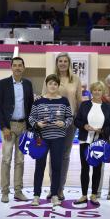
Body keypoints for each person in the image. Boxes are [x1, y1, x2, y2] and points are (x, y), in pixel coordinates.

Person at [42, 52, 82, 200]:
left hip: (69, 123)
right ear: (57, 63)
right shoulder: (51, 79)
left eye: (65, 61)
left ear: (69, 63)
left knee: (64, 156)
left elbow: (79, 101)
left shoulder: (75, 79)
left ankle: (60, 189)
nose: (63, 63)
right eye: (60, 61)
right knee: (53, 155)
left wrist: (80, 120)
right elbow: (43, 98)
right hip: (51, 123)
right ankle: (53, 189)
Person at [29, 74, 73, 207]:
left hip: (58, 138)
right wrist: (37, 124)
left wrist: (64, 123)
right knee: (39, 167)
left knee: (56, 167)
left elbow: (69, 117)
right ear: (46, 85)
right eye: (50, 84)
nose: (53, 86)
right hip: (41, 139)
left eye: (55, 84)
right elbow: (31, 118)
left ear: (58, 86)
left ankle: (54, 194)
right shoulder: (38, 101)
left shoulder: (64, 101)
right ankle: (36, 195)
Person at [0, 56, 34, 203]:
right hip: (8, 127)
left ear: (23, 68)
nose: (17, 68)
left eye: (20, 65)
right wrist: (4, 127)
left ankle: (18, 191)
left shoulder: (28, 84)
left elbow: (30, 107)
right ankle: (5, 192)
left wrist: (30, 128)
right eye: (15, 65)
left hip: (23, 126)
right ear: (11, 67)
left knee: (20, 160)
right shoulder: (3, 83)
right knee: (6, 160)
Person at [74, 81, 110, 205]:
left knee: (97, 168)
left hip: (100, 142)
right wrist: (84, 126)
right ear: (91, 91)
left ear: (103, 92)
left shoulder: (107, 107)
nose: (97, 92)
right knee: (85, 168)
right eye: (95, 90)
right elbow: (77, 121)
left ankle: (94, 195)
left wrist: (102, 131)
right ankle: (84, 195)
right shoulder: (85, 105)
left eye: (99, 90)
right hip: (85, 140)